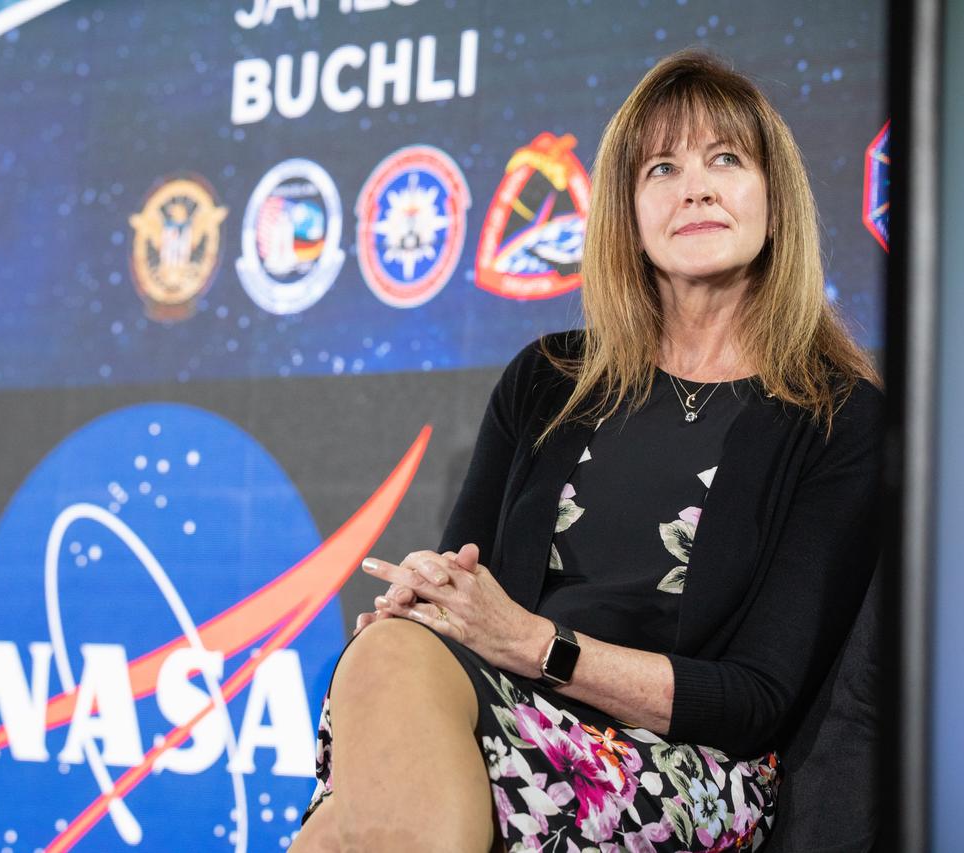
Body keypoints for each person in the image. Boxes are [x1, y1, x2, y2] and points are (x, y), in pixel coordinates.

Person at [292, 49, 883, 853]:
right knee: (388, 656)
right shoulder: (546, 379)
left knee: (344, 815)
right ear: (627, 214)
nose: (696, 187)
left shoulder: (835, 414)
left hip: (688, 773)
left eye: (726, 160)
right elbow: (468, 588)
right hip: (510, 714)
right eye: (662, 168)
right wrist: (430, 606)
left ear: (774, 200)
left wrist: (539, 646)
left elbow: (757, 698)